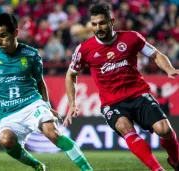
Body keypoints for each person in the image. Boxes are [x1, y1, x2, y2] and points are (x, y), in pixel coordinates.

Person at [0, 13, 93, 171]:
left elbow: (40, 82)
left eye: (3, 36)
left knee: (53, 133)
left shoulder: (31, 54)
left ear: (15, 33)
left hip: (32, 103)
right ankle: (37, 165)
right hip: (8, 112)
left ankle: (88, 170)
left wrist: (46, 106)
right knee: (6, 140)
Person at [63, 3, 179, 171]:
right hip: (112, 102)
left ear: (112, 21)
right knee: (125, 127)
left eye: (102, 23)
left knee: (164, 130)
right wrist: (72, 103)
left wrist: (168, 69)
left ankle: (175, 161)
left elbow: (155, 55)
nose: (98, 28)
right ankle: (157, 169)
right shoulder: (84, 49)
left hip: (138, 94)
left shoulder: (132, 38)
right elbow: (70, 74)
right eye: (94, 24)